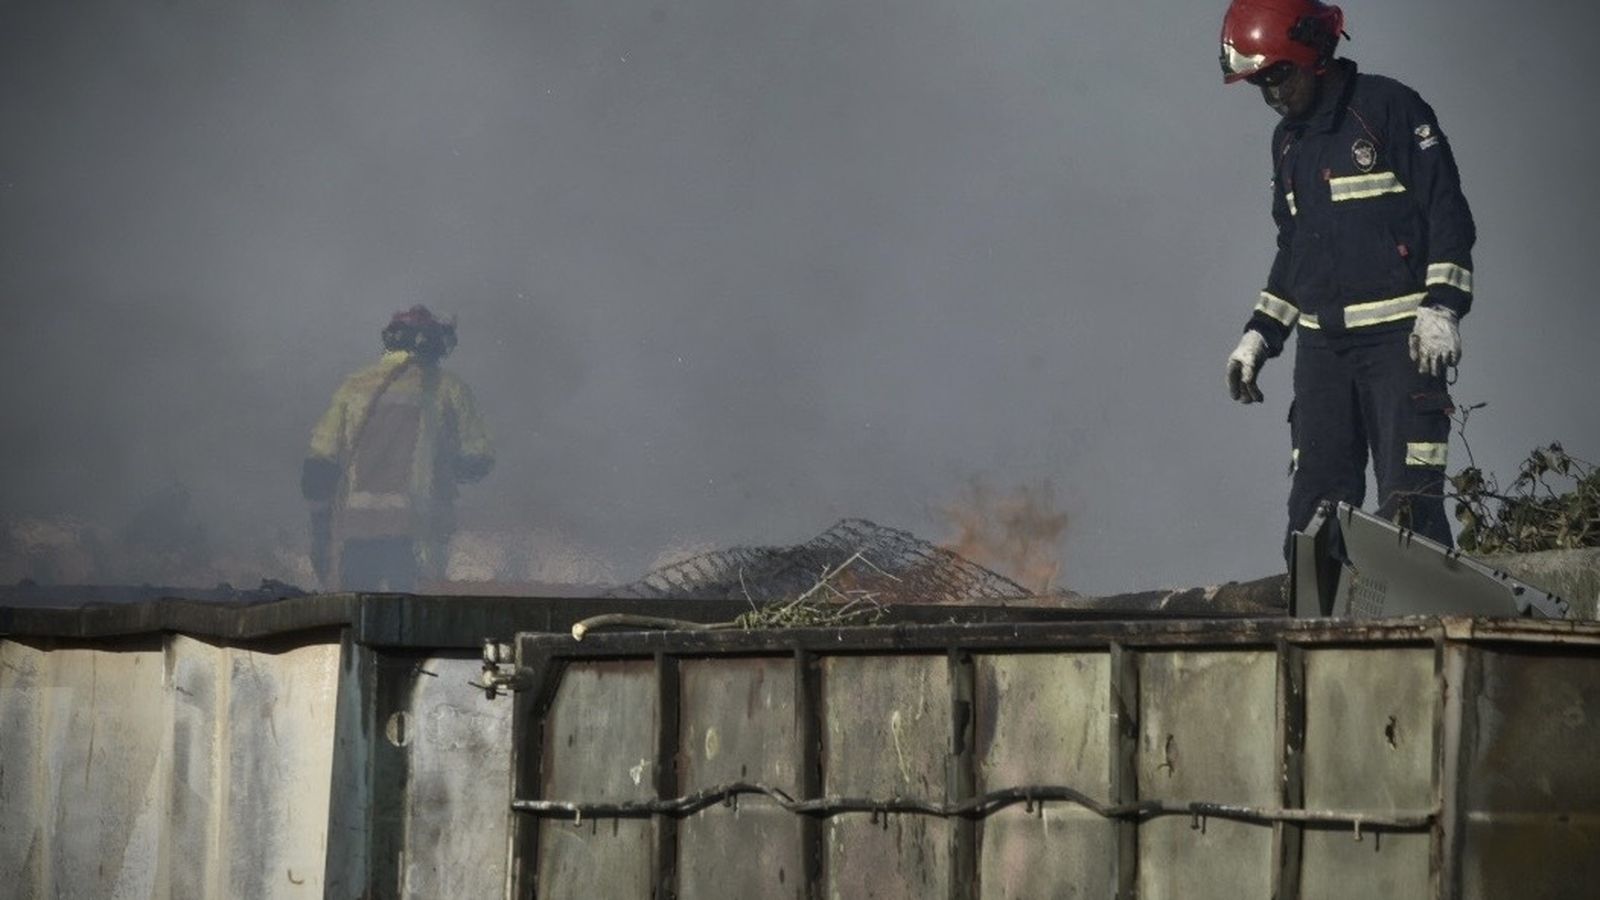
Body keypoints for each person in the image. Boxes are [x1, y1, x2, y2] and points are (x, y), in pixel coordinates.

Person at [1219, 0, 1475, 555]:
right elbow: (1295, 251)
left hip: (1400, 346)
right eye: (1260, 83)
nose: (1273, 95)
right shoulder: (1287, 142)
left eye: (1278, 75)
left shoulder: (1388, 109)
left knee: (1408, 510)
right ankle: (1313, 635)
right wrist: (1261, 333)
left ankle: (1422, 633)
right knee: (1313, 512)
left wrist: (1442, 307)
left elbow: (1448, 213)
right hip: (1323, 351)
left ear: (1313, 53)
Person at [302, 306, 494, 591]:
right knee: (412, 616)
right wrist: (450, 469)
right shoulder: (447, 388)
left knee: (357, 614)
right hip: (417, 529)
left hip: (358, 529)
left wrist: (322, 519)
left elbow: (320, 461)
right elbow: (478, 456)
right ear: (428, 341)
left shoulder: (355, 384)